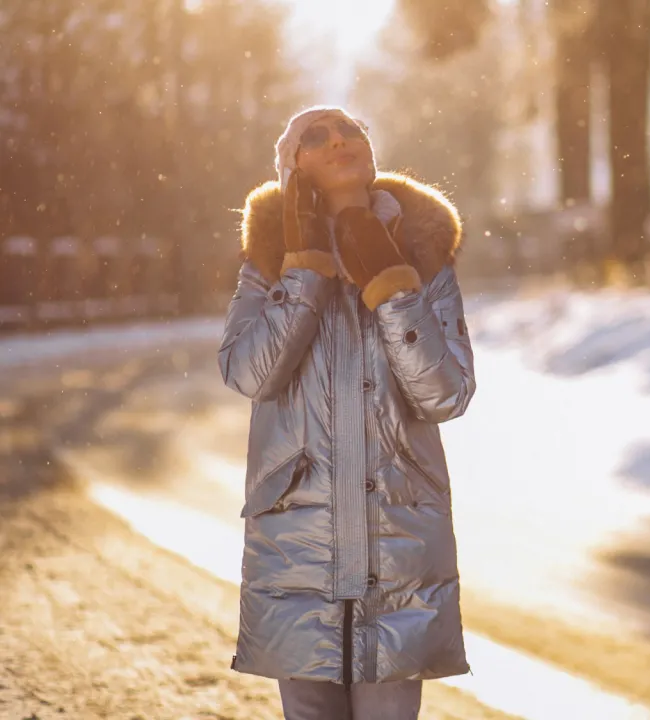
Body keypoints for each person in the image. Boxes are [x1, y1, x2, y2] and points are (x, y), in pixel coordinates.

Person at [217, 106, 476, 720]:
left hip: (398, 541)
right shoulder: (268, 260)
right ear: (293, 165)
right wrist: (303, 272)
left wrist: (392, 285)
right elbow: (249, 372)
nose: (337, 141)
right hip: (295, 544)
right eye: (315, 137)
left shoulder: (423, 253)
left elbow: (447, 393)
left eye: (350, 132)